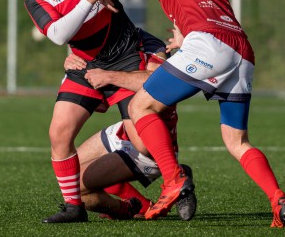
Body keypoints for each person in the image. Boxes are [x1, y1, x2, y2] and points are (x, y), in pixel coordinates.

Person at [94, 0, 285, 227]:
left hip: (210, 44)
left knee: (141, 105)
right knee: (237, 141)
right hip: (242, 50)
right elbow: (207, 19)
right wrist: (185, 41)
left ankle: (173, 178)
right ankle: (278, 199)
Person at [21, 0, 148, 223]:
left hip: (124, 57)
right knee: (59, 132)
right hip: (84, 63)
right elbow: (58, 35)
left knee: (143, 144)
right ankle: (74, 208)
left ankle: (171, 172)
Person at [64, 27, 197, 221]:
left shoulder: (152, 46)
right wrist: (74, 68)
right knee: (67, 176)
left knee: (76, 187)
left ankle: (172, 176)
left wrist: (109, 76)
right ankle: (136, 206)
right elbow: (99, 103)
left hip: (149, 144)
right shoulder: (95, 43)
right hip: (122, 131)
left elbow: (159, 83)